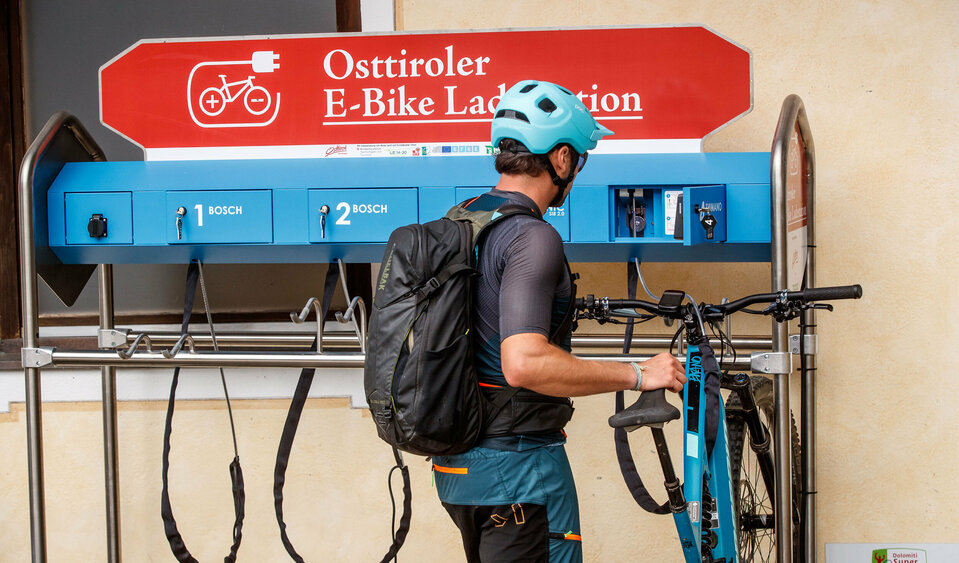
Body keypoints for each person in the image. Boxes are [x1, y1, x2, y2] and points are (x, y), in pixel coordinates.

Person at [431, 80, 687, 562]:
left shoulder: (463, 220)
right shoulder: (533, 237)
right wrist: (637, 374)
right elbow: (524, 363)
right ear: (562, 159)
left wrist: (539, 414)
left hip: (459, 470)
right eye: (580, 160)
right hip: (519, 471)